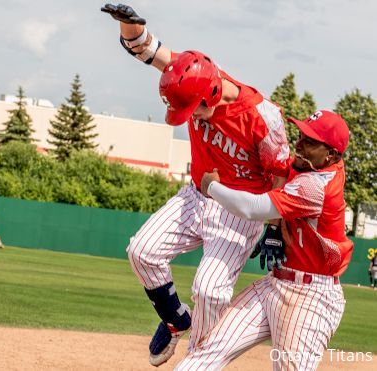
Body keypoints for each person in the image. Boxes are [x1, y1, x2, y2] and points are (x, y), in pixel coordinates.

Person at [101, 3, 291, 367]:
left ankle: (199, 359)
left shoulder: (262, 117)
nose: (189, 119)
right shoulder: (192, 74)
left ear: (213, 95)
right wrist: (131, 27)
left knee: (211, 289)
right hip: (197, 194)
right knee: (142, 251)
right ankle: (175, 320)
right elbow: (147, 49)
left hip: (239, 208)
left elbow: (280, 174)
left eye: (192, 111)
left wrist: (274, 229)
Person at [176, 110, 353, 370]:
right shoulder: (310, 165)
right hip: (276, 282)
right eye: (302, 136)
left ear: (332, 156)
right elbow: (277, 175)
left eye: (311, 141)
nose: (301, 145)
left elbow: (253, 207)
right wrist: (273, 227)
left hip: (311, 297)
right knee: (207, 351)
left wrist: (211, 187)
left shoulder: (317, 185)